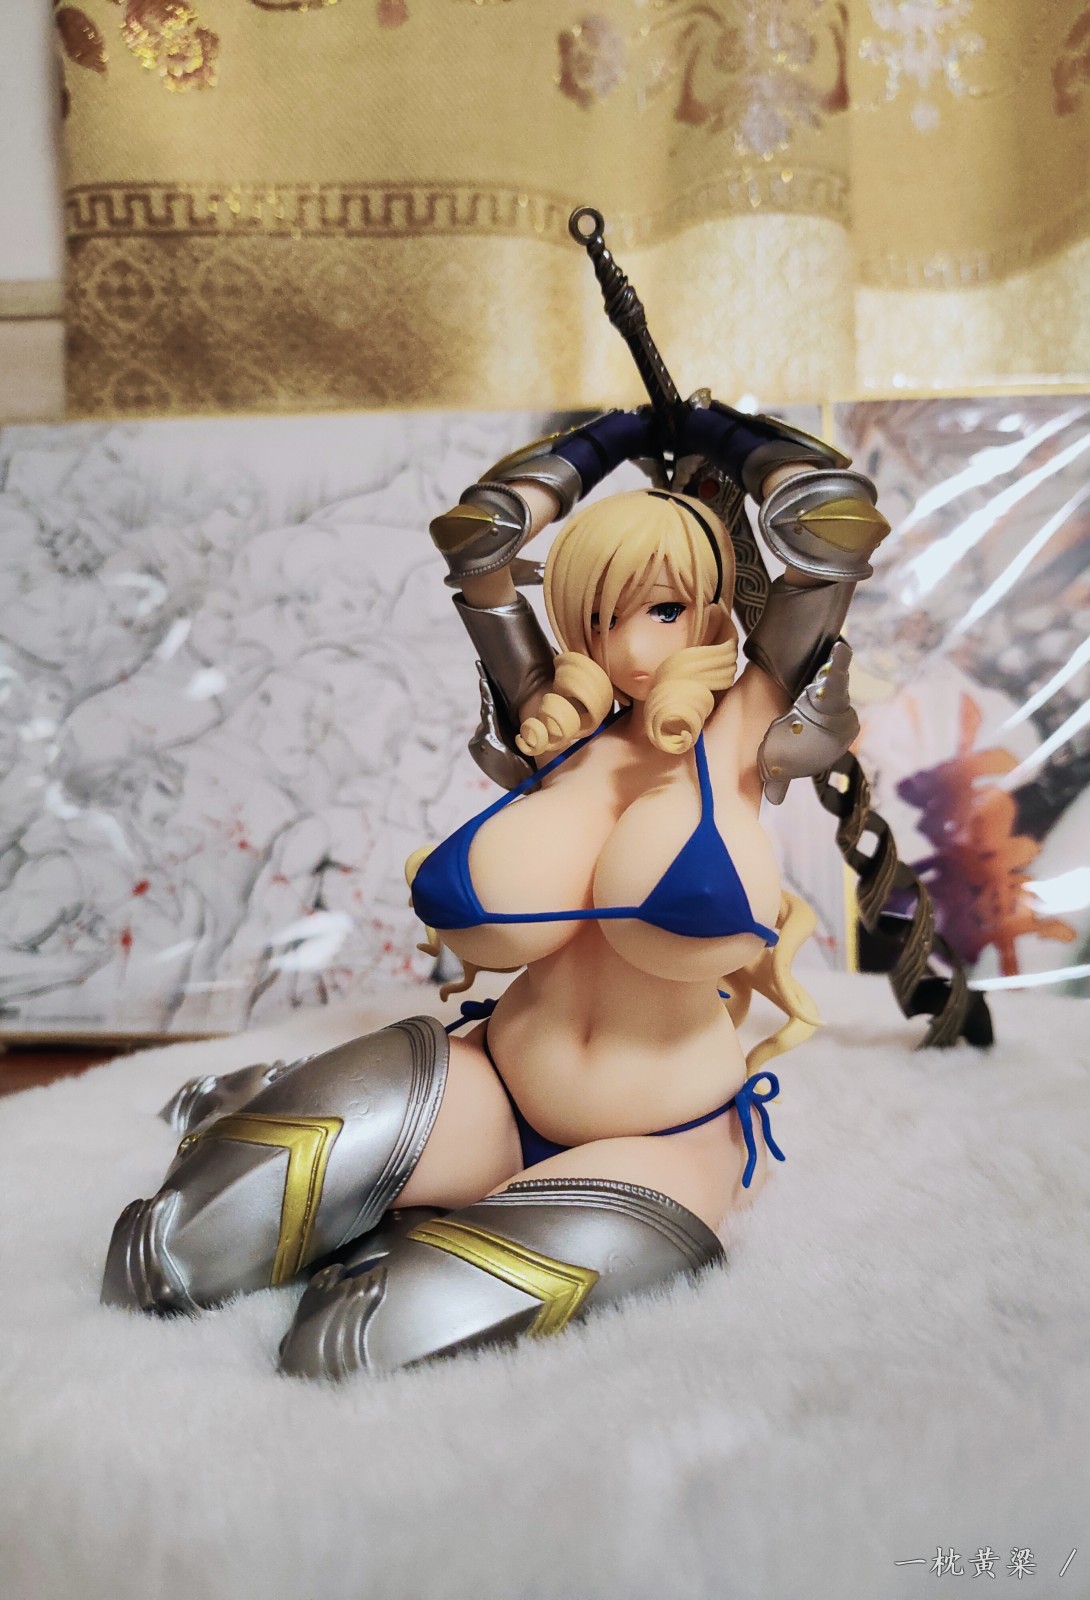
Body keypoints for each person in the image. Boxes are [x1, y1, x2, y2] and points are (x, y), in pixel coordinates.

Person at [101, 403, 891, 1378]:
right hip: (493, 1090)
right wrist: (603, 441)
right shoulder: (553, 725)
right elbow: (480, 539)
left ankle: (364, 1185)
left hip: (666, 1139)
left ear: (714, 606)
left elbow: (835, 521)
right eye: (599, 617)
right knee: (167, 1251)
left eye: (660, 609)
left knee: (362, 1333)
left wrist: (717, 428)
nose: (629, 647)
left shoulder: (748, 725)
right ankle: (267, 1105)